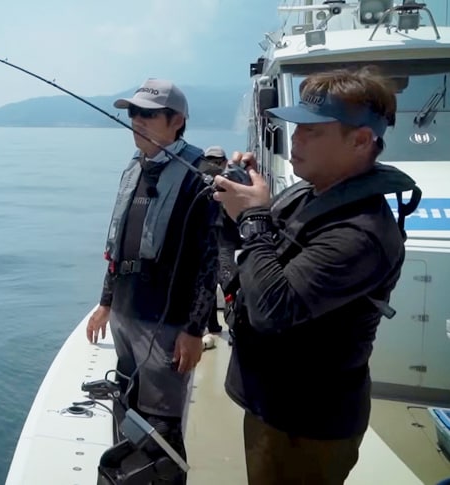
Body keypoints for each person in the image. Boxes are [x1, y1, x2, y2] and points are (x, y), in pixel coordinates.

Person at [213, 67, 421, 484]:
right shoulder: (307, 193)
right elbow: (251, 257)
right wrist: (237, 194)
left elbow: (273, 308)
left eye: (312, 130)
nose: (295, 138)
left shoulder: (363, 233)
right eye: (296, 127)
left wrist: (252, 216)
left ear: (361, 140)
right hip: (271, 403)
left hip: (308, 425)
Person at [86, 78, 220, 484]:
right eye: (133, 113)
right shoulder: (135, 168)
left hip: (164, 323)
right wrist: (106, 302)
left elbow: (208, 258)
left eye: (148, 114)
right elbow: (120, 244)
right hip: (127, 314)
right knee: (127, 404)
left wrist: (194, 329)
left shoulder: (199, 176)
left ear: (177, 121)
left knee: (161, 425)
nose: (137, 121)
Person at [203, 146, 238, 334]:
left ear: (224, 162)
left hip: (226, 241)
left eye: (217, 161)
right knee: (206, 283)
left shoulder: (232, 183)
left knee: (228, 282)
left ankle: (233, 326)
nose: (214, 165)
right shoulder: (198, 183)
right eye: (210, 161)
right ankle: (212, 325)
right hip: (206, 243)